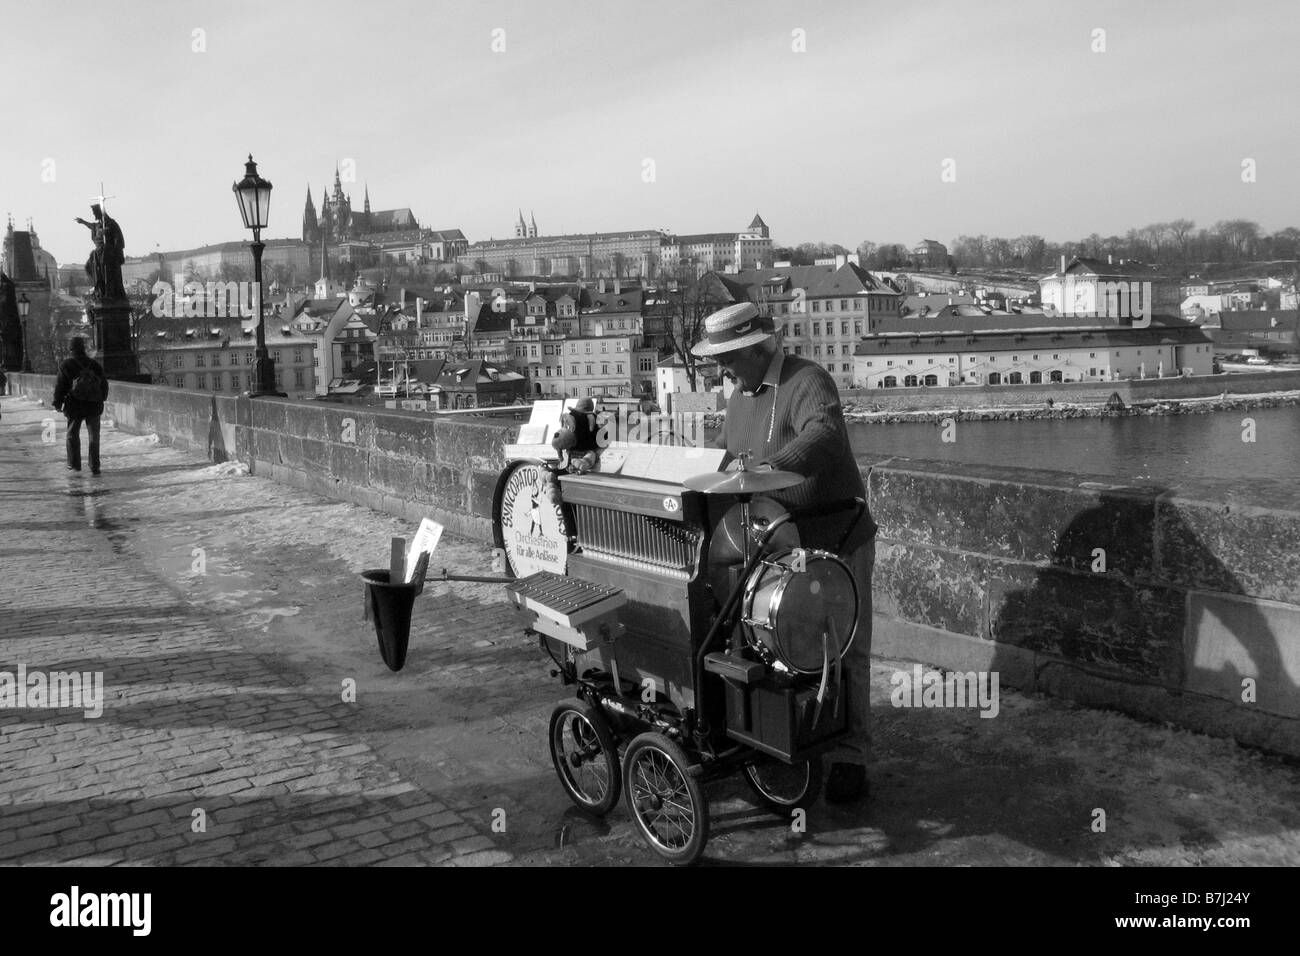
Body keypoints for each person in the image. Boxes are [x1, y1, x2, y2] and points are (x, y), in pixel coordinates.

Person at [693, 301, 876, 804]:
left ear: (754, 348)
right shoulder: (739, 396)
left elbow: (824, 435)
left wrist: (770, 468)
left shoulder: (807, 379)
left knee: (842, 645)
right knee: (780, 643)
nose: (720, 369)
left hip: (836, 532)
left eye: (727, 359)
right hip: (779, 539)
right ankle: (798, 736)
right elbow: (725, 453)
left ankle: (851, 753)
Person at [52, 337, 109, 475]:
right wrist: (101, 398)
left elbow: (61, 386)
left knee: (72, 434)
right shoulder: (94, 364)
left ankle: (74, 464)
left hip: (74, 405)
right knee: (94, 436)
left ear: (71, 349)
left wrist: (58, 402)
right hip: (94, 405)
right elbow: (104, 385)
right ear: (83, 348)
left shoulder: (66, 365)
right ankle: (94, 465)